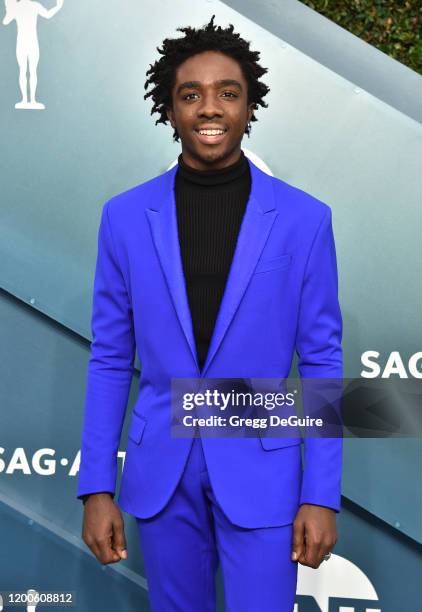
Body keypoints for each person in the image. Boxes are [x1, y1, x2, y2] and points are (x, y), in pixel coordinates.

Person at [77, 15, 343, 611]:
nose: (209, 108)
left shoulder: (305, 220)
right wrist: (96, 485)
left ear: (250, 106)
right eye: (190, 95)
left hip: (264, 473)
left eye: (228, 92)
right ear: (168, 111)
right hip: (162, 474)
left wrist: (322, 493)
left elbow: (322, 360)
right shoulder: (123, 217)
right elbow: (112, 358)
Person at [2, 0, 64, 109]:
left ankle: (29, 100)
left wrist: (9, 8)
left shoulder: (20, 6)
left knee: (27, 71)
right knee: (28, 71)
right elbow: (48, 15)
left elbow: (6, 21)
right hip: (28, 42)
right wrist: (58, 7)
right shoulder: (30, 6)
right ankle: (27, 100)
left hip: (27, 43)